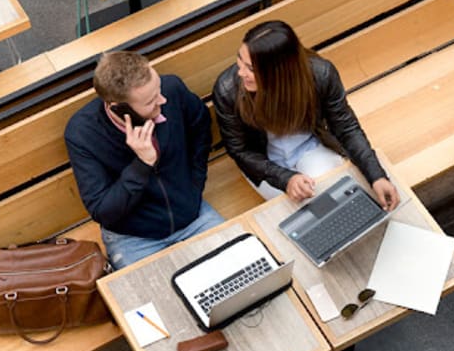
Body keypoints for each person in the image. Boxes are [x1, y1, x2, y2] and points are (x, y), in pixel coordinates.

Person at [212, 20, 400, 209]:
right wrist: (286, 179)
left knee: (336, 198)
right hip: (264, 163)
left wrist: (377, 176)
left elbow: (346, 127)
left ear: (279, 72)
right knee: (299, 211)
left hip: (310, 147)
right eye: (240, 60)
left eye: (251, 68)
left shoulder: (320, 74)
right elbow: (240, 150)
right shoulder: (227, 90)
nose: (240, 73)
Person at [65, 51, 224, 269]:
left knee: (245, 272)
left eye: (158, 89)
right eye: (151, 101)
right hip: (133, 237)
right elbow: (103, 210)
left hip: (191, 215)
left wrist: (194, 185)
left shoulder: (172, 89)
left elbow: (200, 128)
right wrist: (142, 164)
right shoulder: (83, 134)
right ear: (118, 108)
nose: (163, 100)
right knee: (152, 300)